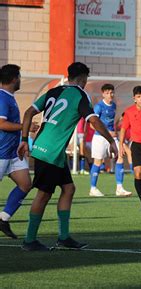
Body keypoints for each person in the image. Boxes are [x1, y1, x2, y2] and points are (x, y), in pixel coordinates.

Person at [17, 62, 118, 251]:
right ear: (82, 78)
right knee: (44, 194)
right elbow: (94, 120)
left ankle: (64, 238)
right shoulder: (80, 95)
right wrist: (111, 141)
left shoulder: (54, 91)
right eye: (86, 79)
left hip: (48, 150)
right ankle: (29, 240)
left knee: (69, 188)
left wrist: (24, 139)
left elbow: (29, 112)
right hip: (51, 152)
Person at [0, 64, 38, 239]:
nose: (20, 80)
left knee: (25, 184)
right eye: (19, 77)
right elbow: (1, 124)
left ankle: (3, 219)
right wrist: (25, 126)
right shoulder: (2, 97)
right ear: (14, 78)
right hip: (1, 152)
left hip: (13, 152)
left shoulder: (9, 96)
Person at [88, 84, 131, 197]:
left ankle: (119, 188)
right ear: (103, 94)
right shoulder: (99, 107)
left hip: (112, 138)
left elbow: (112, 123)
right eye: (107, 93)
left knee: (121, 155)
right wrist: (107, 131)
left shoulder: (114, 106)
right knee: (98, 161)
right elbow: (92, 125)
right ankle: (93, 188)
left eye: (111, 92)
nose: (110, 95)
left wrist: (116, 129)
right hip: (99, 137)